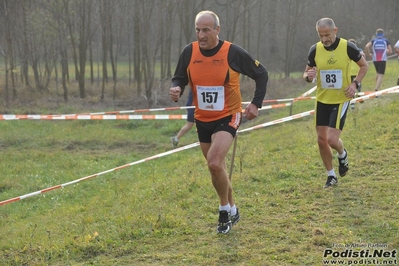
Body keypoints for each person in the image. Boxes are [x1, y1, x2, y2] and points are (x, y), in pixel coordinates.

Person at [169, 10, 268, 234]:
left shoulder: (231, 52)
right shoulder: (189, 51)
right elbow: (179, 77)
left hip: (228, 115)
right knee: (217, 169)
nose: (201, 35)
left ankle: (223, 211)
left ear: (217, 30)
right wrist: (176, 88)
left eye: (206, 30)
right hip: (202, 119)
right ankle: (233, 208)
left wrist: (255, 104)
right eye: (197, 30)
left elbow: (261, 73)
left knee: (214, 162)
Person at [303, 18, 368, 188]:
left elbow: (364, 66)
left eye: (327, 35)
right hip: (322, 100)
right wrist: (308, 77)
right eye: (321, 35)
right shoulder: (314, 50)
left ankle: (342, 153)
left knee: (332, 139)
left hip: (341, 100)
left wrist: (355, 84)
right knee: (321, 140)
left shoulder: (347, 46)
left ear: (335, 31)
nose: (324, 39)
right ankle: (331, 176)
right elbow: (307, 72)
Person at [348, 39, 366, 109]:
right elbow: (363, 54)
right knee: (354, 86)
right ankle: (354, 100)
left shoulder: (357, 49)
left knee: (355, 86)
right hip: (353, 71)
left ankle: (358, 97)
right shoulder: (348, 50)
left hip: (354, 71)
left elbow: (362, 53)